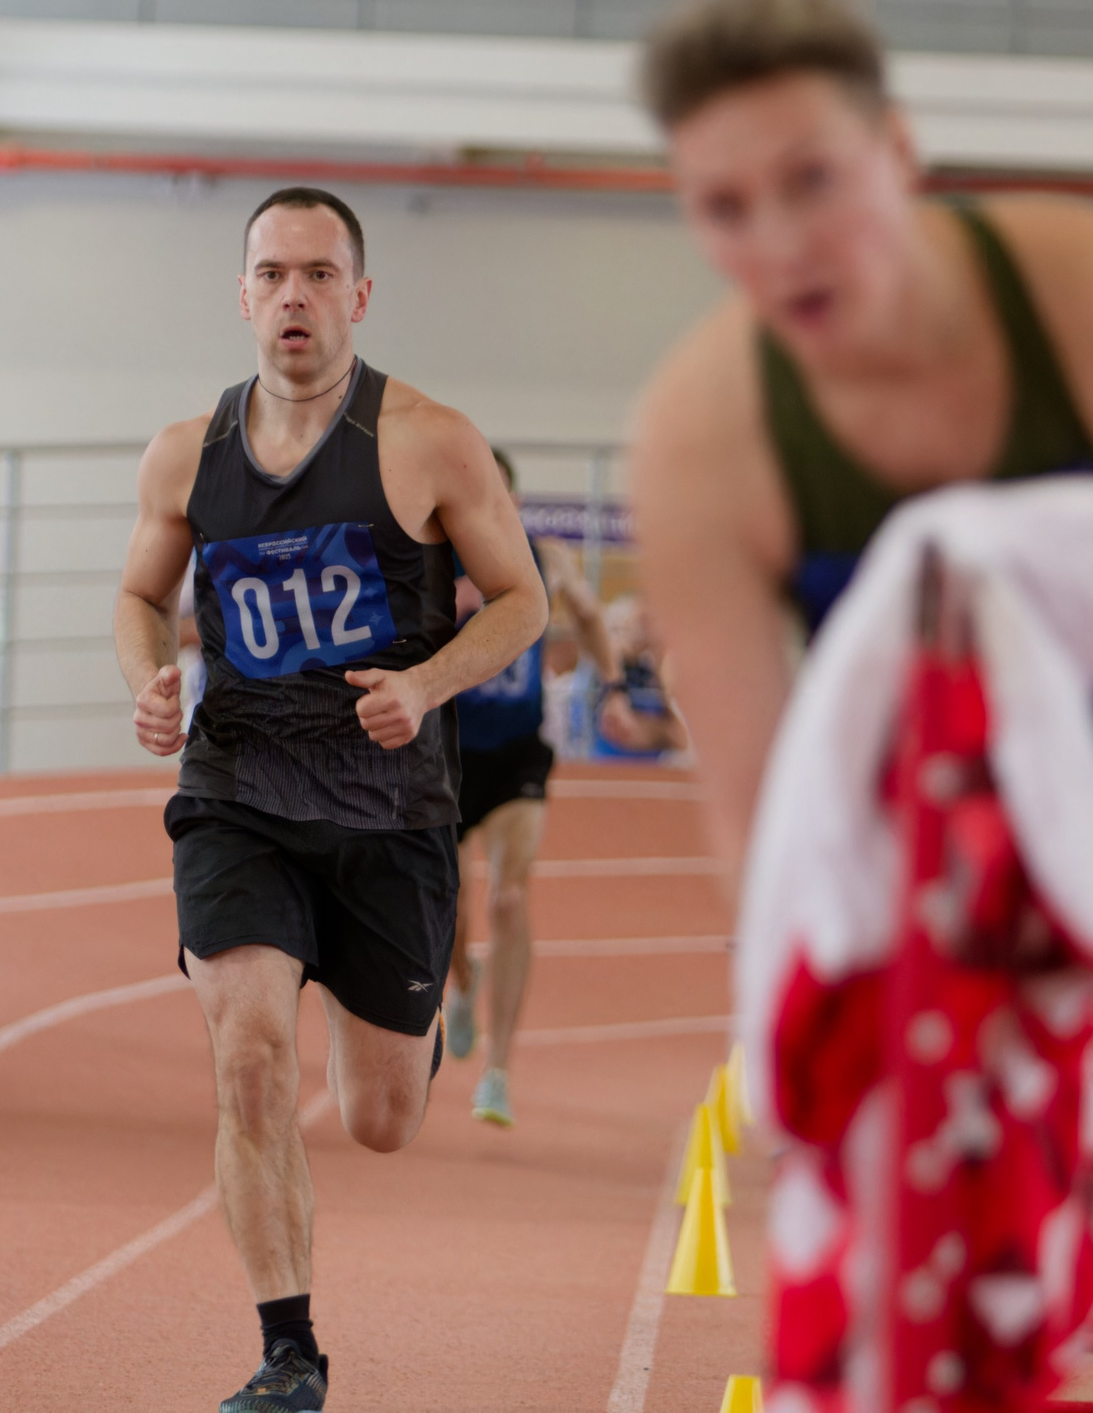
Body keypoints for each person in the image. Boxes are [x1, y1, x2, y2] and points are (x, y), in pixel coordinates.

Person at [629, 0, 1093, 1413]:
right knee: (934, 1333)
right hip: (941, 925)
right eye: (722, 206)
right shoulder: (705, 433)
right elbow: (763, 814)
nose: (777, 242)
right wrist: (817, 1031)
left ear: (898, 152)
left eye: (812, 181)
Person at [115, 186, 545, 1413]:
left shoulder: (430, 441)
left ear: (358, 296)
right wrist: (150, 679)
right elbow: (139, 595)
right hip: (237, 792)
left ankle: (418, 1025)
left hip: (388, 810)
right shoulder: (183, 454)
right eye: (270, 274)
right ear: (241, 294)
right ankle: (288, 1354)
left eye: (317, 274)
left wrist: (427, 684)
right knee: (248, 1057)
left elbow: (522, 602)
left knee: (380, 1119)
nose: (292, 296)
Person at [443, 448, 619, 1129]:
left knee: (510, 895)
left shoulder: (547, 558)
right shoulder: (437, 563)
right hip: (448, 759)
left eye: (499, 500)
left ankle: (498, 1070)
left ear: (514, 503)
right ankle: (461, 980)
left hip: (518, 755)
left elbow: (592, 614)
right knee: (449, 910)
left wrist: (612, 683)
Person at [593, 594, 688, 759]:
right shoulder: (610, 665)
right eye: (620, 630)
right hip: (609, 761)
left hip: (654, 764)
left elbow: (680, 737)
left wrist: (658, 652)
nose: (639, 631)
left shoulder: (660, 666)